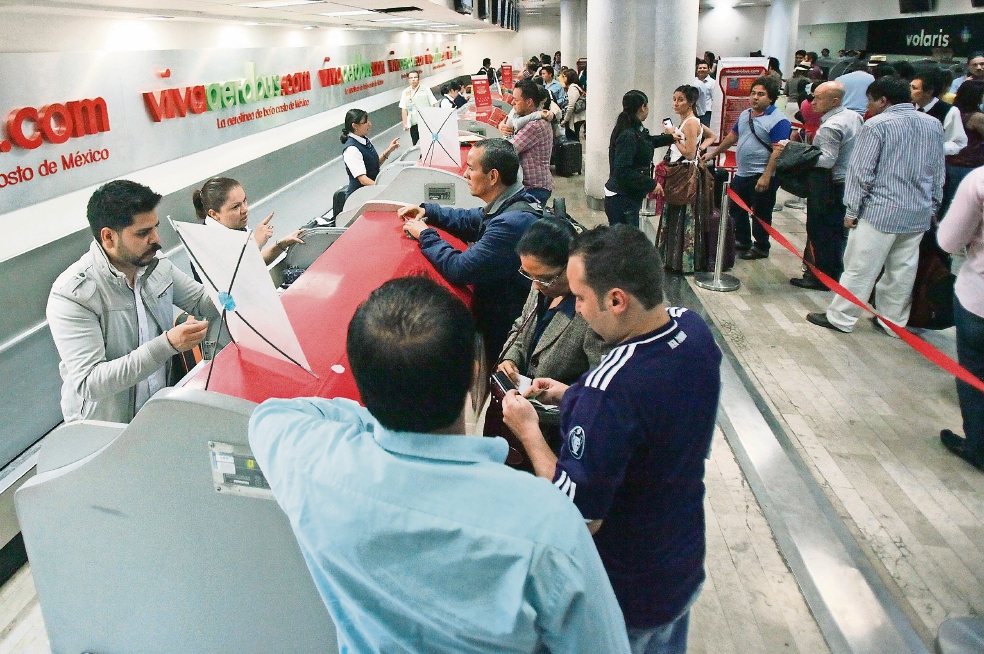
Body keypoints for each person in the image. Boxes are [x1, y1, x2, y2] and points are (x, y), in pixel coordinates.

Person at [248, 276, 632, 654]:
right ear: (475, 372)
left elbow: (270, 417)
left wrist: (375, 416)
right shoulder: (547, 523)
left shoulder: (314, 468)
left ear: (363, 384)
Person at [501, 225, 723, 654]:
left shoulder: (609, 390)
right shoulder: (693, 331)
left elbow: (579, 515)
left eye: (581, 297)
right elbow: (652, 421)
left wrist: (530, 432)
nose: (577, 308)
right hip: (679, 562)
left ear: (617, 299)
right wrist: (571, 396)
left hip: (624, 590)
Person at [47, 180, 219, 423]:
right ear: (108, 237)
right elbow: (91, 383)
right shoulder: (73, 294)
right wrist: (167, 344)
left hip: (157, 411)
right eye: (143, 233)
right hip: (105, 428)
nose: (156, 239)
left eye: (155, 228)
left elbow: (203, 301)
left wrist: (237, 276)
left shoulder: (156, 265)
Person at [806, 76, 945, 336]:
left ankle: (841, 318)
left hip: (880, 211)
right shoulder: (933, 124)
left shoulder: (876, 125)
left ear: (883, 100)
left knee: (859, 267)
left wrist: (852, 210)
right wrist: (933, 206)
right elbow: (938, 170)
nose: (867, 106)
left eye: (870, 100)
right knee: (902, 271)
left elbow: (861, 173)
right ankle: (892, 322)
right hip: (918, 211)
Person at [398, 138, 539, 364]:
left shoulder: (511, 224)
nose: (465, 174)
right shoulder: (512, 204)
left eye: (471, 169)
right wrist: (427, 211)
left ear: (493, 176)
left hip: (508, 326)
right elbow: (469, 219)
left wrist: (425, 234)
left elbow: (460, 268)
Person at [497, 217, 609, 393]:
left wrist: (564, 395)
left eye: (546, 278)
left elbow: (600, 386)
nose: (535, 285)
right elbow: (522, 325)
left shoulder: (593, 310)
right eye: (528, 275)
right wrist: (511, 359)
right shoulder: (542, 285)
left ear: (571, 264)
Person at [703, 75, 792, 260]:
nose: (755, 97)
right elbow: (732, 137)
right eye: (753, 93)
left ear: (771, 98)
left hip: (761, 174)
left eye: (761, 94)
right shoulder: (745, 114)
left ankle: (761, 246)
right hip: (742, 174)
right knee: (736, 209)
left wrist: (766, 176)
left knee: (760, 213)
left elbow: (777, 152)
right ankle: (743, 240)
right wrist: (714, 153)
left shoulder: (778, 120)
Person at [786, 81, 863, 290]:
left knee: (822, 231)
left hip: (830, 185)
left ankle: (822, 277)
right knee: (835, 233)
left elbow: (826, 160)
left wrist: (797, 153)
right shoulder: (853, 116)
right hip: (848, 181)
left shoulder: (831, 126)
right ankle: (831, 273)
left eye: (818, 98)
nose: (812, 102)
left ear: (835, 100)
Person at [938, 168, 984, 470]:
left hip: (979, 301)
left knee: (974, 374)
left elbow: (949, 241)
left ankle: (978, 447)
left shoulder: (979, 180)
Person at [657, 85, 717, 274]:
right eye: (674, 99)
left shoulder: (691, 123)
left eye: (680, 99)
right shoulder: (690, 121)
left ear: (690, 102)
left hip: (684, 174)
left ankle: (682, 261)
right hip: (682, 171)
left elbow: (689, 153)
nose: (676, 103)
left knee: (683, 216)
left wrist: (672, 137)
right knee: (678, 215)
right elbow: (711, 136)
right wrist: (699, 146)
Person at [192, 177, 306, 266]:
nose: (245, 209)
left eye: (244, 201)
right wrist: (255, 244)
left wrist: (282, 244)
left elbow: (255, 263)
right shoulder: (206, 246)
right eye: (236, 207)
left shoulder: (234, 225)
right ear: (214, 214)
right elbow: (235, 280)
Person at [604, 90, 677, 227]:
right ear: (643, 107)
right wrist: (651, 183)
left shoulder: (634, 128)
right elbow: (622, 170)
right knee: (627, 244)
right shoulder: (628, 134)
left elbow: (646, 142)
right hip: (621, 198)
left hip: (628, 195)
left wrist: (670, 138)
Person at [498, 78, 555, 204]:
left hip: (534, 188)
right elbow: (509, 118)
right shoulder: (525, 117)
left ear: (529, 102)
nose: (513, 103)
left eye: (517, 100)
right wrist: (501, 125)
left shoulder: (534, 125)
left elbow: (508, 149)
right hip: (535, 185)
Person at [340, 109, 400, 198]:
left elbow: (373, 166)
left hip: (370, 192)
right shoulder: (352, 149)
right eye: (365, 122)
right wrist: (385, 189)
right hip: (358, 198)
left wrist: (389, 151)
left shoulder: (364, 140)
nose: (369, 124)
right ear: (355, 126)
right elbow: (363, 180)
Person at [944, 81, 984, 214]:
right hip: (968, 163)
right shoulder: (977, 117)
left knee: (949, 200)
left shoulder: (952, 111)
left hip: (950, 160)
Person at [911, 71, 968, 157]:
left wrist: (932, 147)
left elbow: (958, 143)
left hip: (934, 161)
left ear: (929, 92)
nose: (909, 91)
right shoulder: (907, 107)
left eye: (914, 88)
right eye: (909, 87)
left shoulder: (949, 111)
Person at [399, 70, 436, 146]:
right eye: (411, 78)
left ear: (419, 79)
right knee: (416, 144)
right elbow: (404, 109)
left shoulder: (426, 89)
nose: (413, 79)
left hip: (426, 122)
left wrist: (432, 119)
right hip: (413, 123)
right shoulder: (405, 92)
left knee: (428, 143)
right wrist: (405, 123)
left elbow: (433, 104)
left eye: (415, 77)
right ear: (408, 80)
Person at [561, 69, 586, 141]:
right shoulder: (574, 87)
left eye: (565, 76)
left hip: (574, 118)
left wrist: (565, 120)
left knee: (572, 139)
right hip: (574, 117)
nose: (563, 78)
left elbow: (571, 106)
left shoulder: (573, 88)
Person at [695, 62, 716, 127]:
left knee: (705, 134)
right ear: (697, 70)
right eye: (700, 68)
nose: (702, 69)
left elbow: (714, 98)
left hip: (706, 113)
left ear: (708, 70)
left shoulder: (713, 82)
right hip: (694, 112)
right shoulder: (693, 81)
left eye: (704, 68)